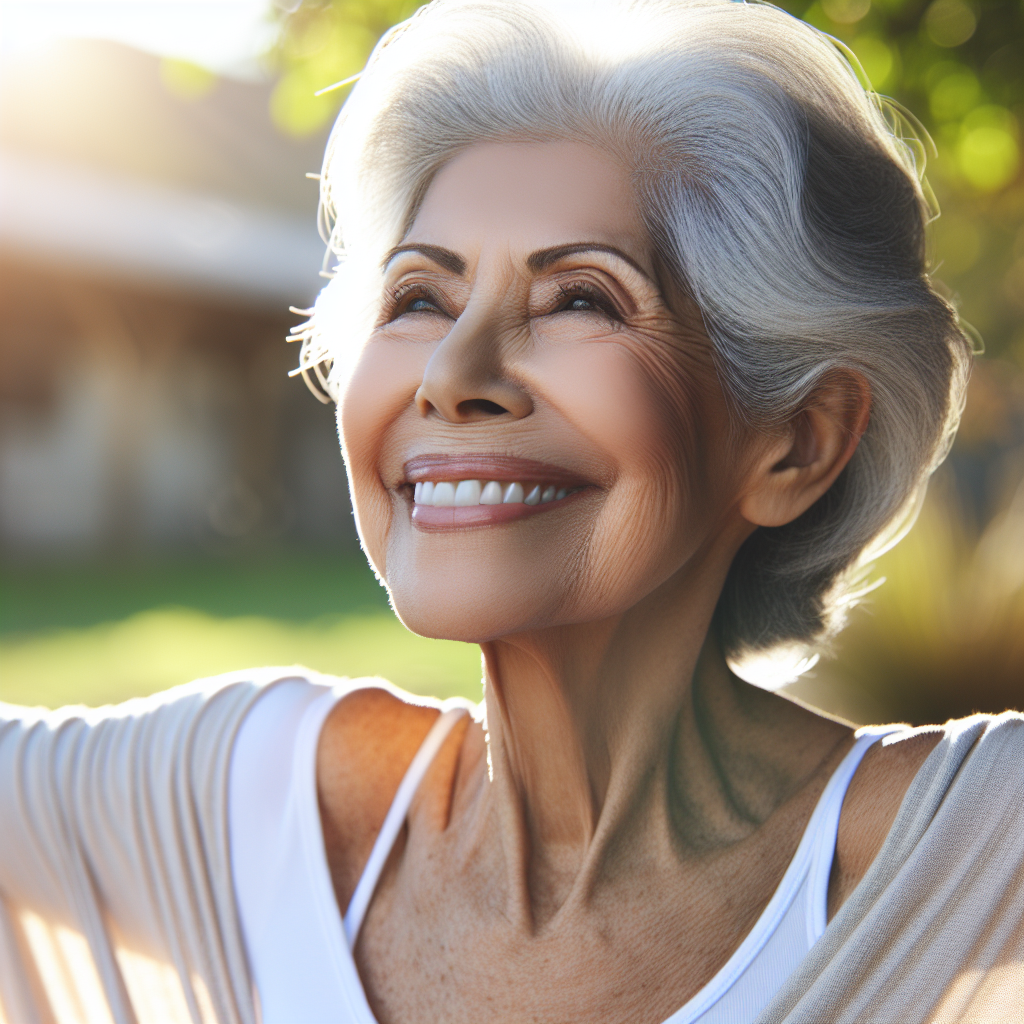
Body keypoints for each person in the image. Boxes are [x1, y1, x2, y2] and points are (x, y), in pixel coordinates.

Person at [1, 1, 1020, 1022]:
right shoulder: (232, 807)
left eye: (581, 297)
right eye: (419, 298)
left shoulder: (980, 862)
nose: (452, 376)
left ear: (797, 440)